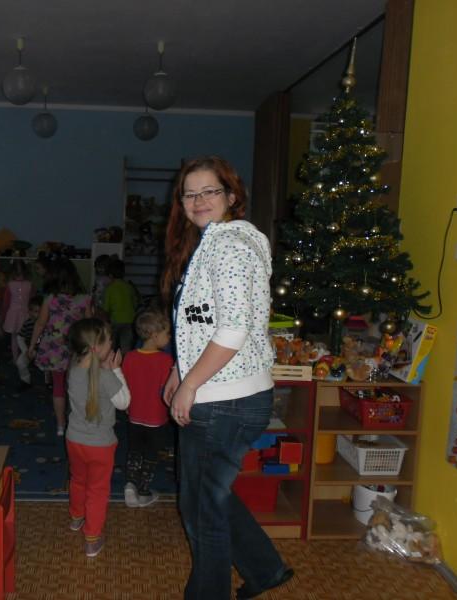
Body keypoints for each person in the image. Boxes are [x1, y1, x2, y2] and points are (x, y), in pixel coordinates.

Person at [161, 156, 293, 600]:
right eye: (190, 194)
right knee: (209, 495)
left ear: (231, 196)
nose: (198, 201)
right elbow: (202, 320)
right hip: (229, 393)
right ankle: (266, 568)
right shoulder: (215, 242)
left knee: (202, 510)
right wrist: (180, 367)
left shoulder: (229, 247)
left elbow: (232, 331)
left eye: (209, 191)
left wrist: (190, 384)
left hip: (224, 401)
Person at [65, 318, 130, 558]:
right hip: (101, 446)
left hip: (74, 440)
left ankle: (76, 518)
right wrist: (116, 370)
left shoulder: (73, 369)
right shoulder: (106, 376)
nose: (112, 343)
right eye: (109, 340)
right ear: (98, 347)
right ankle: (92, 539)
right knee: (97, 490)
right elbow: (124, 402)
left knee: (78, 480)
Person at [28, 258, 92, 435]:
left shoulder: (50, 299)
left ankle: (61, 426)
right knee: (76, 386)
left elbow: (40, 323)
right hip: (77, 348)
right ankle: (76, 421)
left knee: (58, 386)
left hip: (55, 349)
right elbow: (89, 325)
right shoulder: (84, 299)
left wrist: (32, 345)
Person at [121, 308, 173, 507]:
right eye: (167, 333)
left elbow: (125, 385)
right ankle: (143, 491)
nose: (169, 337)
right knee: (151, 453)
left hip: (134, 415)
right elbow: (167, 391)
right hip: (156, 418)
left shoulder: (129, 357)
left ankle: (130, 484)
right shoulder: (165, 360)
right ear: (154, 335)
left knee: (134, 450)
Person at [0, 259, 32, 363]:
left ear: (12, 272)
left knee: (14, 338)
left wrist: (3, 316)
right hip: (26, 314)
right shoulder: (29, 284)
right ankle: (25, 358)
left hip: (13, 314)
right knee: (24, 338)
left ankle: (15, 358)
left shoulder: (10, 285)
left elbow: (5, 304)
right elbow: (32, 301)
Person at [102, 258, 138, 353]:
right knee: (126, 347)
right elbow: (135, 304)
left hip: (115, 321)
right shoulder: (129, 287)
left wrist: (105, 322)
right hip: (129, 320)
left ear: (110, 275)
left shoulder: (109, 288)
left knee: (111, 346)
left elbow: (106, 309)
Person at [14, 295, 42, 391]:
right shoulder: (27, 323)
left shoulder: (46, 324)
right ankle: (26, 381)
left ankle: (49, 382)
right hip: (30, 350)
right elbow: (20, 337)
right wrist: (25, 351)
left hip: (44, 350)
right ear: (29, 312)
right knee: (20, 362)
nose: (36, 314)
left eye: (39, 312)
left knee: (49, 365)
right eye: (34, 311)